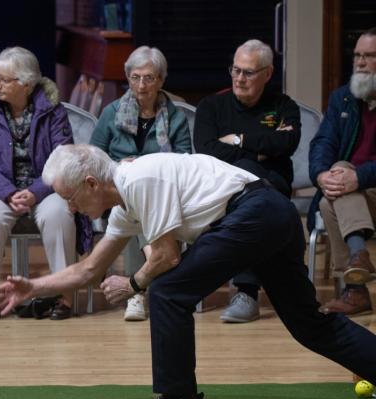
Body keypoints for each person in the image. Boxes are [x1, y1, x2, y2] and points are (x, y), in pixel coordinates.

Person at [0, 144, 376, 399]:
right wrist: (33, 288)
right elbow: (89, 269)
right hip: (270, 215)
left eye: (70, 199)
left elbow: (165, 256)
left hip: (254, 213)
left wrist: (133, 285)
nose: (70, 209)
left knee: (167, 291)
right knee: (308, 324)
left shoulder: (139, 178)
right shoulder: (124, 205)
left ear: (91, 183)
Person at [0, 46, 90, 323]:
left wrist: (35, 192)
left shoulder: (53, 111)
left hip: (47, 186)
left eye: (4, 79)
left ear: (26, 83)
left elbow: (63, 159)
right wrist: (8, 192)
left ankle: (63, 295)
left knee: (58, 214)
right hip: (0, 188)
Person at [194, 39, 301, 323]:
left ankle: (246, 291)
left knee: (252, 191)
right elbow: (206, 149)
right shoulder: (211, 106)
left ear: (267, 74)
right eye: (235, 70)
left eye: (248, 72)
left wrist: (238, 140)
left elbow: (287, 142)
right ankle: (246, 291)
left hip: (272, 185)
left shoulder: (283, 105)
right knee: (245, 172)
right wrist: (261, 151)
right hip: (219, 185)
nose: (239, 78)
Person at [90, 45, 192, 322]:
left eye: (149, 78)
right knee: (135, 207)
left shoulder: (175, 117)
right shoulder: (112, 113)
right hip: (118, 192)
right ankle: (145, 283)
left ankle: (136, 291)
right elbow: (94, 157)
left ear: (160, 80)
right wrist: (121, 168)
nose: (142, 84)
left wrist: (149, 169)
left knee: (144, 209)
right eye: (135, 77)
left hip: (164, 192)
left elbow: (185, 160)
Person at [310, 28, 376, 316]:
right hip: (351, 193)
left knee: (332, 196)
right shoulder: (343, 99)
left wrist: (357, 178)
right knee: (332, 186)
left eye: (370, 56)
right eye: (358, 55)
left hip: (371, 187)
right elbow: (323, 142)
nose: (360, 62)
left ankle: (355, 292)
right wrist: (322, 175)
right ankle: (358, 258)